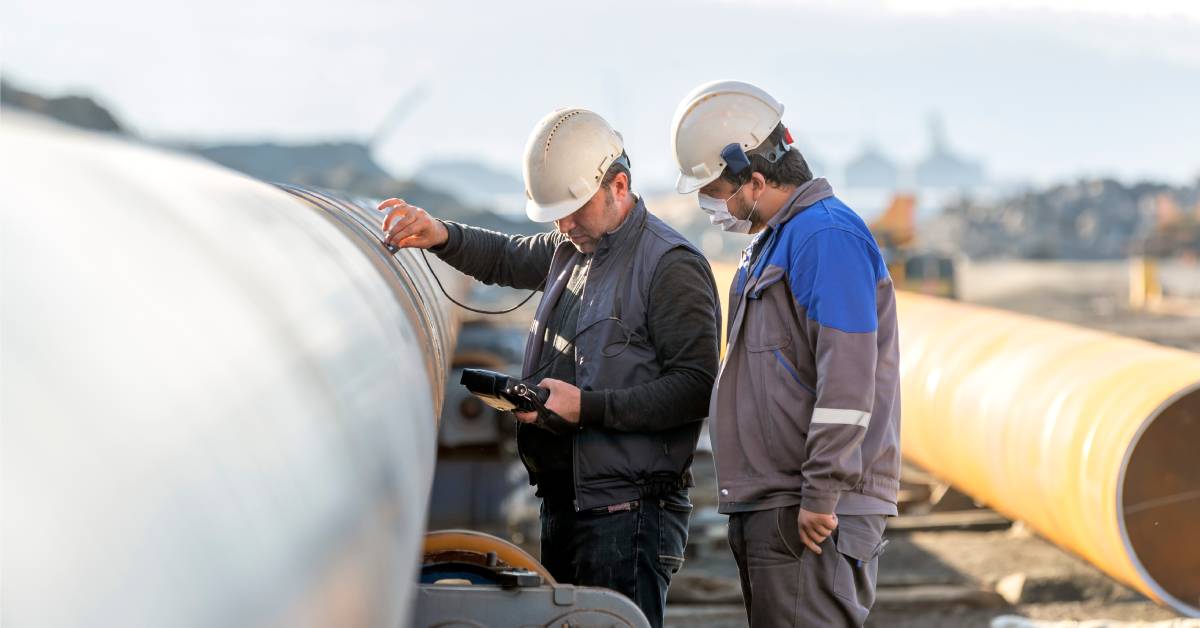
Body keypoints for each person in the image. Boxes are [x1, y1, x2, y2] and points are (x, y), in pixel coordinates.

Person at [379, 107, 721, 628]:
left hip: (628, 520)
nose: (562, 224)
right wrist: (440, 234)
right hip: (568, 504)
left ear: (619, 187)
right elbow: (508, 257)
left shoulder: (671, 267)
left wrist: (586, 408)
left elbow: (695, 390)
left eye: (573, 210)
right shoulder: (575, 248)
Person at [671, 80, 901, 627]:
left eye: (716, 191)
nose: (713, 207)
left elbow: (847, 379)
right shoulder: (777, 239)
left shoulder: (825, 237)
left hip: (811, 509)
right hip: (775, 501)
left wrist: (822, 491)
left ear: (755, 178)